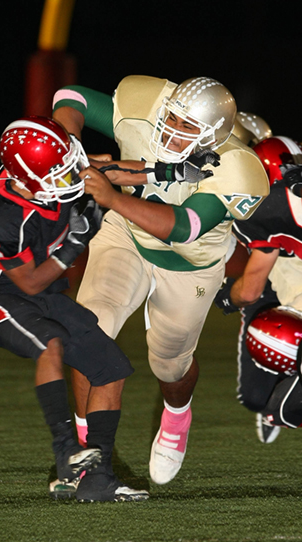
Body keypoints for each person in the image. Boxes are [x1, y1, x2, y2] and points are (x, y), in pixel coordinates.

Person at [51, 74, 269, 489]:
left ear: (214, 136)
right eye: (171, 117)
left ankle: (177, 413)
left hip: (189, 264)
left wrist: (112, 195)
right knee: (86, 332)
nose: (171, 128)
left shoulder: (240, 169)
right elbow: (70, 97)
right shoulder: (145, 101)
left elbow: (183, 227)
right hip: (124, 237)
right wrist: (70, 145)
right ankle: (84, 451)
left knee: (170, 364)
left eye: (188, 127)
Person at [0, 116, 150, 503]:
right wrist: (75, 243)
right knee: (52, 342)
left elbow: (105, 167)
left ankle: (97, 481)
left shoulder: (45, 173)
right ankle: (66, 454)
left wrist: (175, 172)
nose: (70, 178)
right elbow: (30, 281)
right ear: (28, 179)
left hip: (42, 296)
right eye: (59, 172)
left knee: (111, 368)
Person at [214, 135, 302, 443]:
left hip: (282, 296)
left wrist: (225, 297)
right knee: (257, 397)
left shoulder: (266, 208)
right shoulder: (274, 207)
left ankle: (281, 404)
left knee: (271, 402)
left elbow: (247, 292)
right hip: (275, 286)